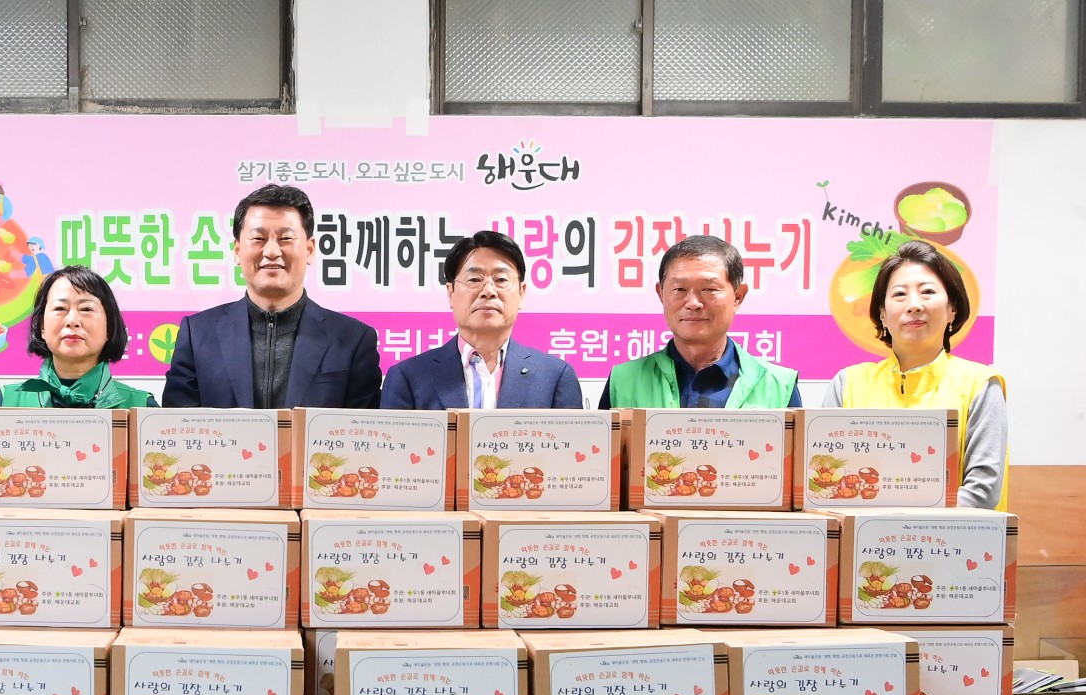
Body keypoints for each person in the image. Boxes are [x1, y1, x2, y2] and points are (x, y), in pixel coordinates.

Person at [821, 239, 1007, 509]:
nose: (914, 305)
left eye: (927, 291)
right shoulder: (847, 384)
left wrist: (901, 522)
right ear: (882, 314)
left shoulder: (980, 385)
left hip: (948, 535)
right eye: (899, 294)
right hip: (864, 535)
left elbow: (982, 492)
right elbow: (826, 480)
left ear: (952, 309)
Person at [161, 184, 381, 409]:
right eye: (258, 238)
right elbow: (178, 425)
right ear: (237, 251)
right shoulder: (197, 335)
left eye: (286, 238)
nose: (272, 251)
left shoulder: (353, 340)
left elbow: (362, 427)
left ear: (309, 249)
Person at [381, 229, 583, 409]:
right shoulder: (408, 378)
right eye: (474, 280)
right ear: (451, 293)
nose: (488, 291)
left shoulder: (555, 376)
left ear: (521, 293)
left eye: (501, 280)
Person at [601, 234, 801, 409]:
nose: (693, 303)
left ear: (738, 296)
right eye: (679, 289)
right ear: (661, 294)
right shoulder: (623, 381)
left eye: (709, 289)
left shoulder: (778, 385)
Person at [0, 265, 157, 408]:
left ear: (109, 327)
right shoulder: (7, 402)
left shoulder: (141, 407)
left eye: (86, 309)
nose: (72, 321)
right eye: (60, 308)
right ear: (42, 326)